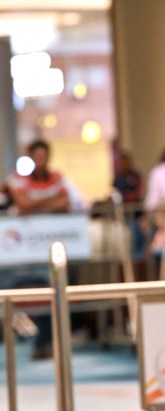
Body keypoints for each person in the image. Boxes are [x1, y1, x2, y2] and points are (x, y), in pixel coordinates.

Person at [3, 139, 83, 358]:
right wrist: (49, 201)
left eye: (44, 156)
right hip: (18, 254)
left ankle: (43, 344)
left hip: (47, 250)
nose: (41, 161)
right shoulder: (16, 179)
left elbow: (64, 203)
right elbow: (23, 204)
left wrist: (35, 203)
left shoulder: (58, 178)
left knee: (53, 292)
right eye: (37, 157)